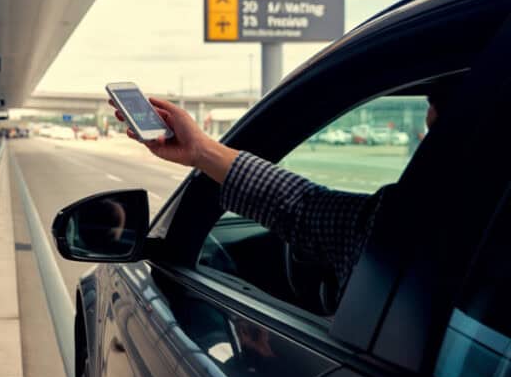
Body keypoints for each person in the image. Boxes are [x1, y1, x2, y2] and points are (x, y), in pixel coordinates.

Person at [115, 83, 454, 304]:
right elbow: (301, 206)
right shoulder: (440, 231)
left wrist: (202, 152)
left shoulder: (405, 229)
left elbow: (299, 208)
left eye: (433, 129)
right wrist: (201, 151)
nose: (423, 142)